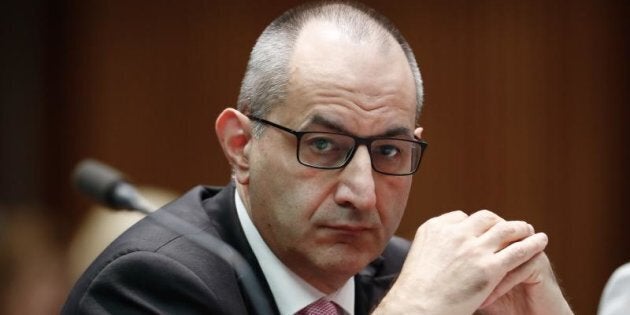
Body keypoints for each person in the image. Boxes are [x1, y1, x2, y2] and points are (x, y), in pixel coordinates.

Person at [62, 1, 573, 314]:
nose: (362, 192)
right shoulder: (151, 285)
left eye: (389, 151)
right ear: (241, 145)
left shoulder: (403, 273)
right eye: (324, 145)